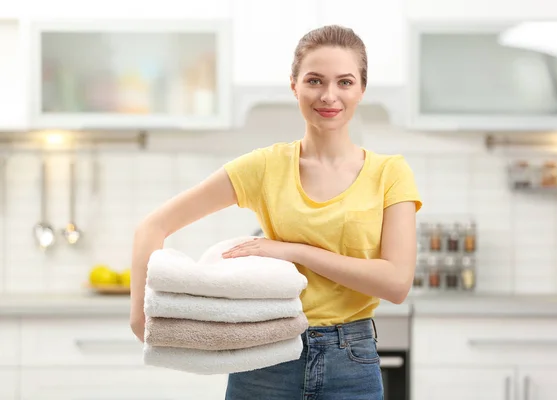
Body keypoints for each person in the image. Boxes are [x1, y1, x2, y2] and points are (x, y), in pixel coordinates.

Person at [130, 25, 422, 399]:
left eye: (344, 82)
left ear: (361, 89)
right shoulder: (266, 167)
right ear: (294, 86)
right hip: (264, 355)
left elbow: (396, 283)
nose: (329, 95)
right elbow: (153, 226)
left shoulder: (390, 173)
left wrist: (293, 251)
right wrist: (142, 317)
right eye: (314, 80)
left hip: (351, 359)